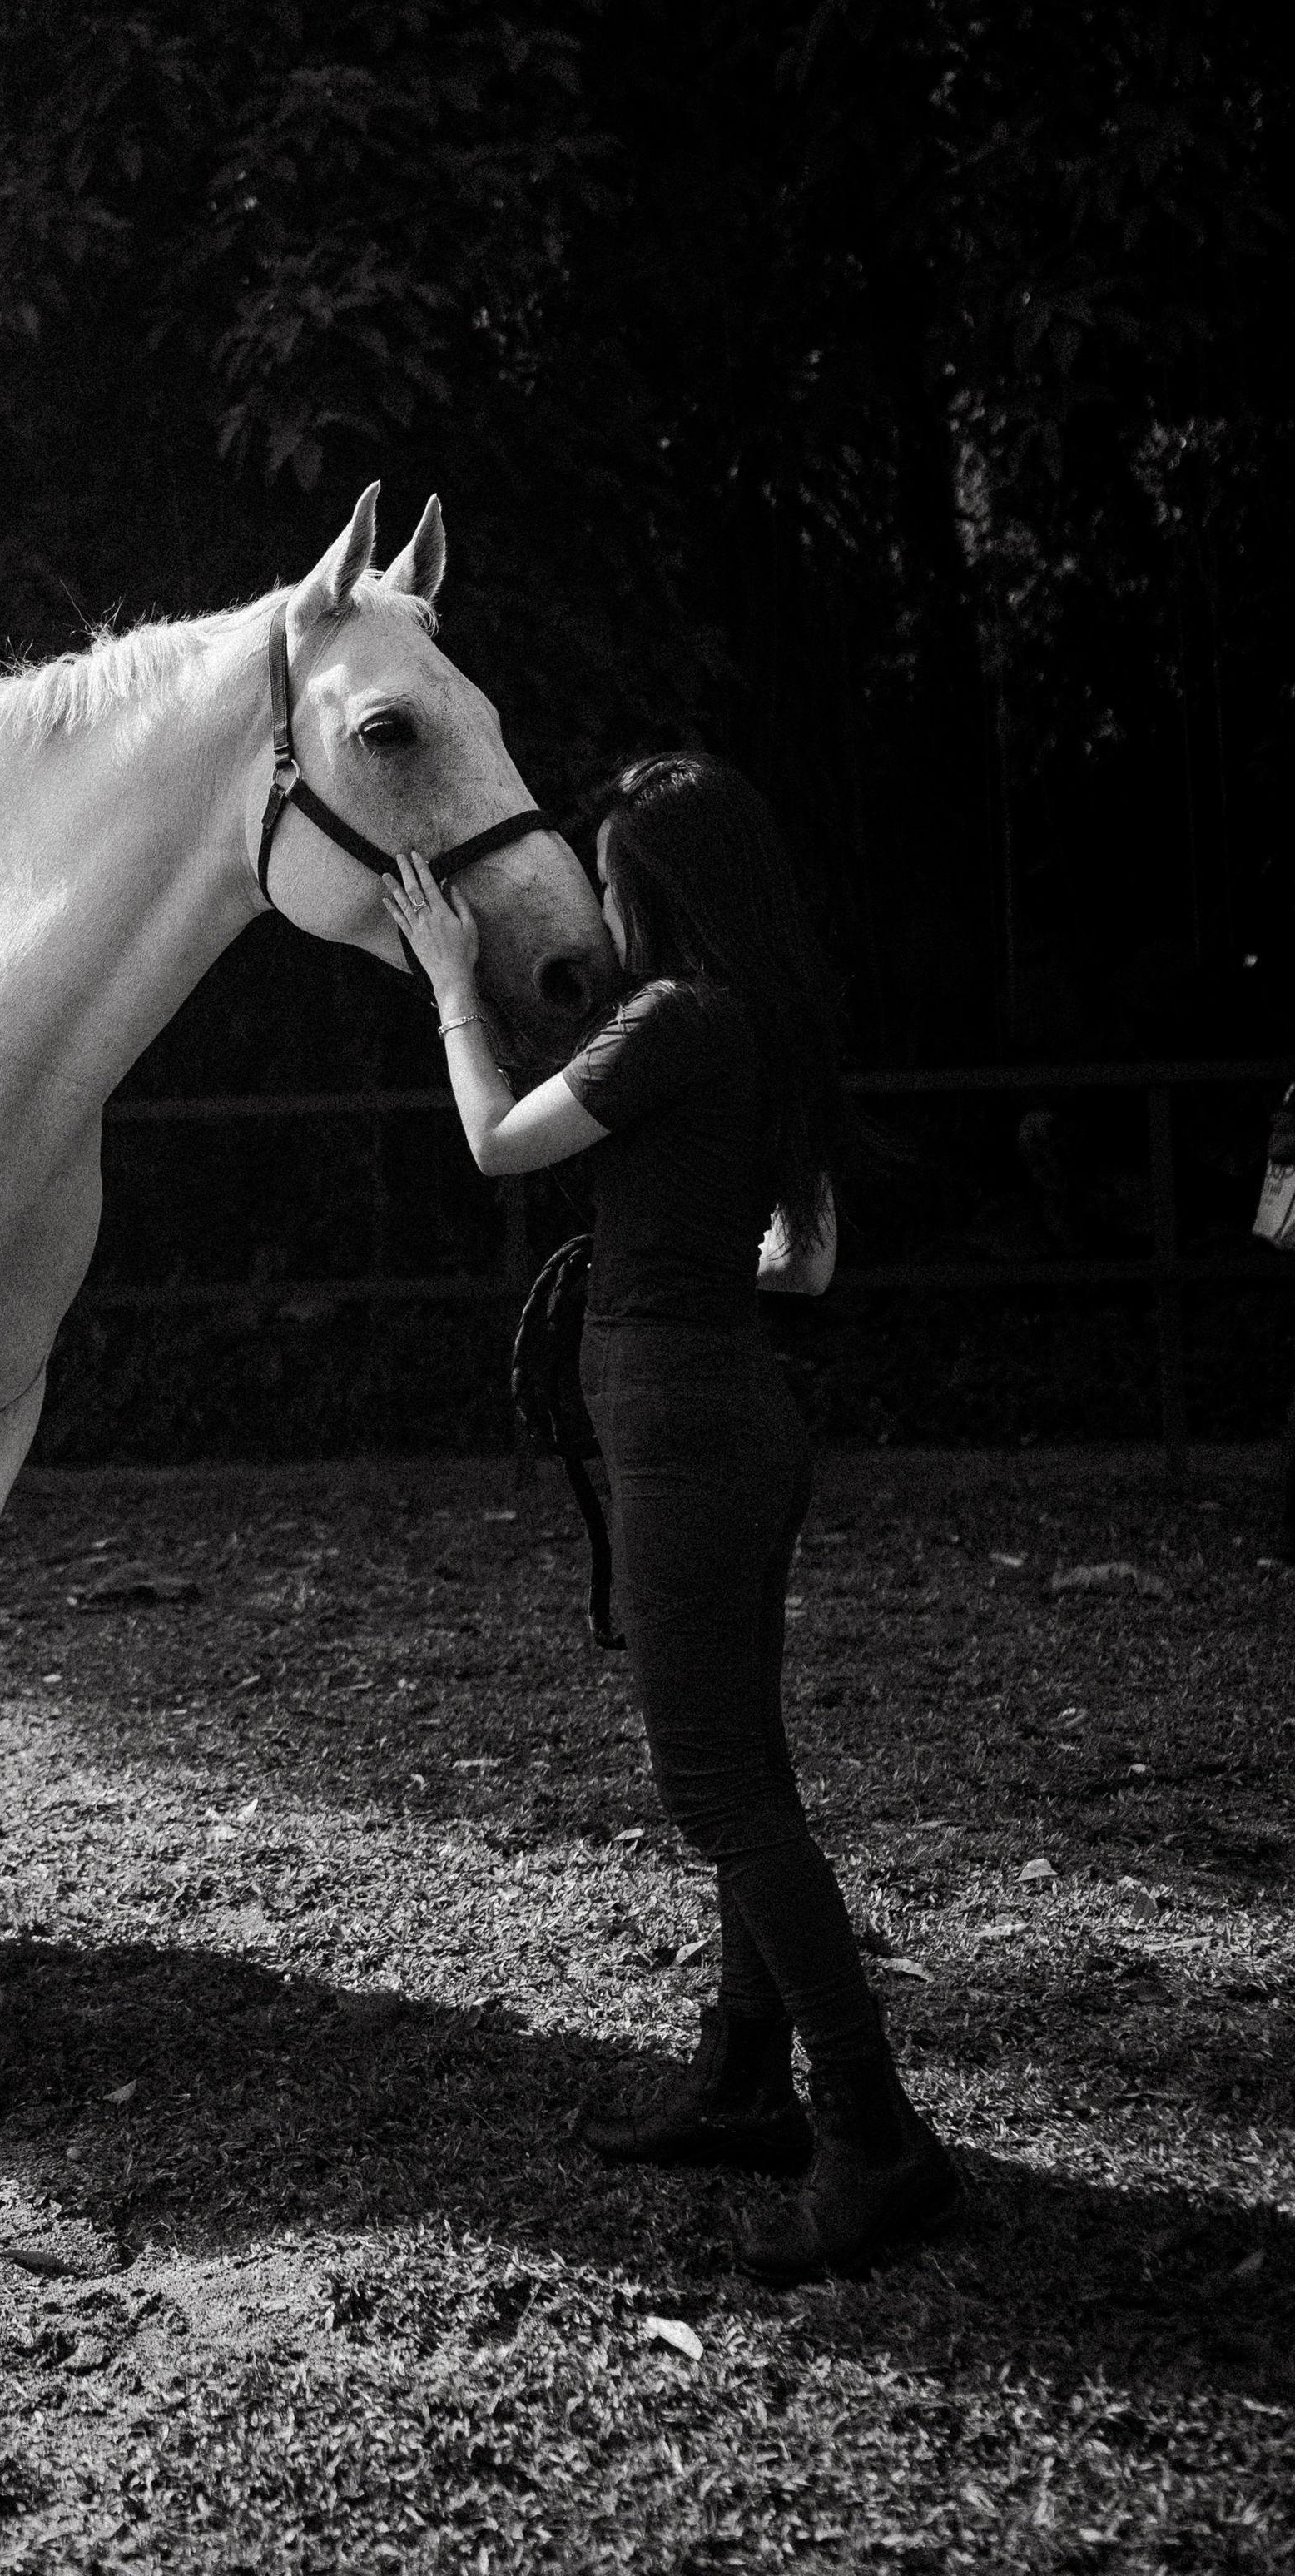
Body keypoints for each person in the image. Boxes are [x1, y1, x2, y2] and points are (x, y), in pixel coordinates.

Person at [382, 751, 961, 2282]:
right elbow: (809, 1262)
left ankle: (874, 2132)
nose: (602, 910)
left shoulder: (672, 1019)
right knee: (744, 1769)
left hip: (690, 1431)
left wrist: (451, 978)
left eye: (613, 882)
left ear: (659, 893)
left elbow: (499, 1144)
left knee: (719, 1792)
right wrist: (672, 1265)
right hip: (740, 1416)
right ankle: (746, 2084)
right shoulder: (769, 1022)